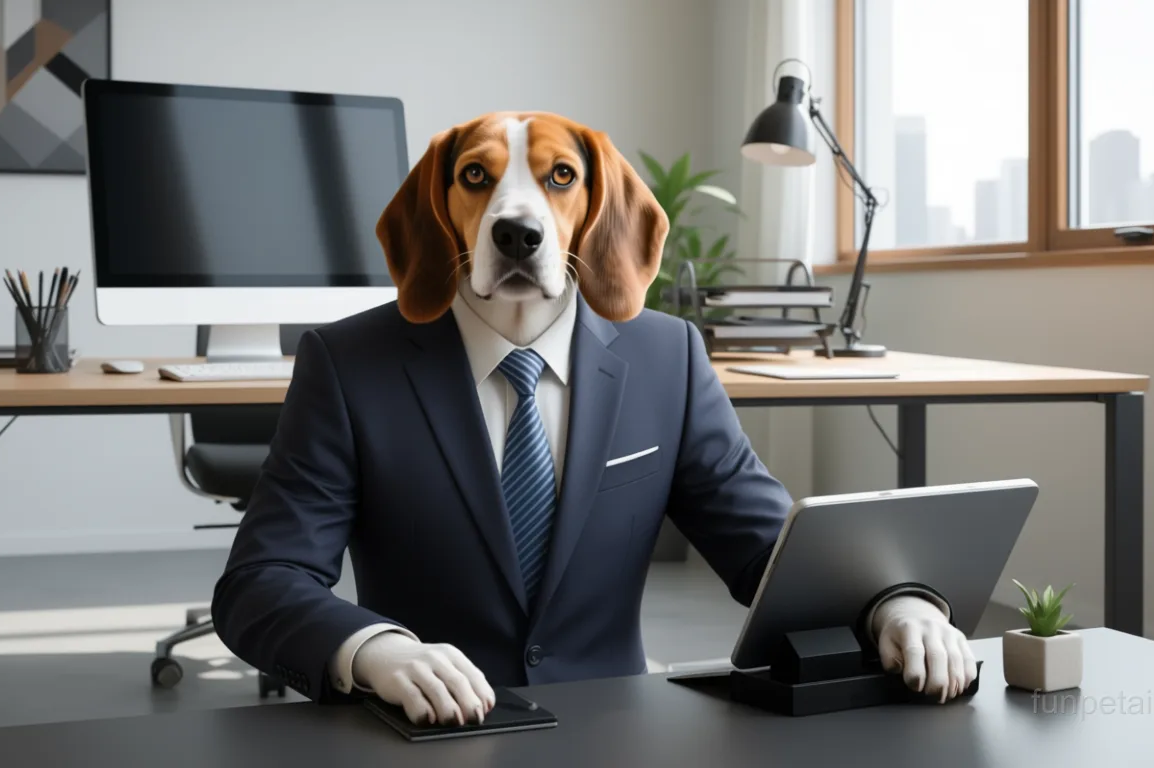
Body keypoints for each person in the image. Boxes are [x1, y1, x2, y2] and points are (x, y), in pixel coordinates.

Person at [212, 112, 977, 726]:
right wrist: (373, 649)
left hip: (616, 728)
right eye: (478, 179)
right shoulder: (349, 365)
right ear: (440, 213)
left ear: (598, 217)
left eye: (559, 180)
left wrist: (893, 602)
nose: (518, 216)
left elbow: (763, 546)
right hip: (421, 727)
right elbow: (259, 583)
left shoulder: (667, 357)